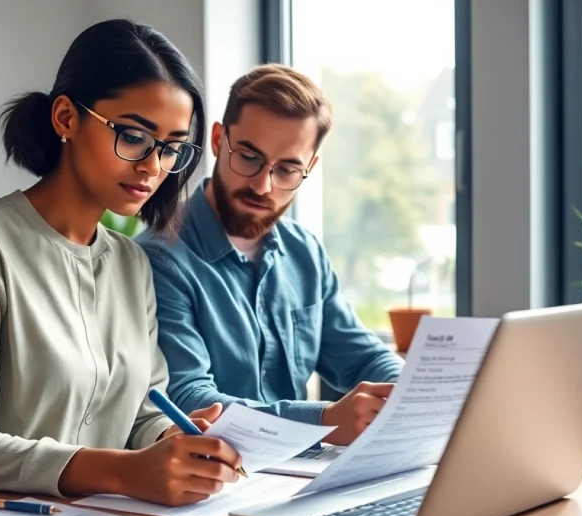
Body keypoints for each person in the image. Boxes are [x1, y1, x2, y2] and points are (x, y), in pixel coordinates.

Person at [0, 18, 243, 507]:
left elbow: (144, 412)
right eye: (133, 135)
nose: (152, 166)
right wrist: (121, 472)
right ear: (66, 118)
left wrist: (172, 440)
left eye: (170, 148)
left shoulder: (131, 262)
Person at [135, 64, 404, 447]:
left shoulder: (304, 252)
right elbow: (191, 400)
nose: (263, 185)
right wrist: (322, 421)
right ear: (217, 140)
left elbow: (362, 357)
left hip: (301, 478)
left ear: (309, 167)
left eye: (288, 169)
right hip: (214, 482)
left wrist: (410, 393)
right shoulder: (160, 259)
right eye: (248, 156)